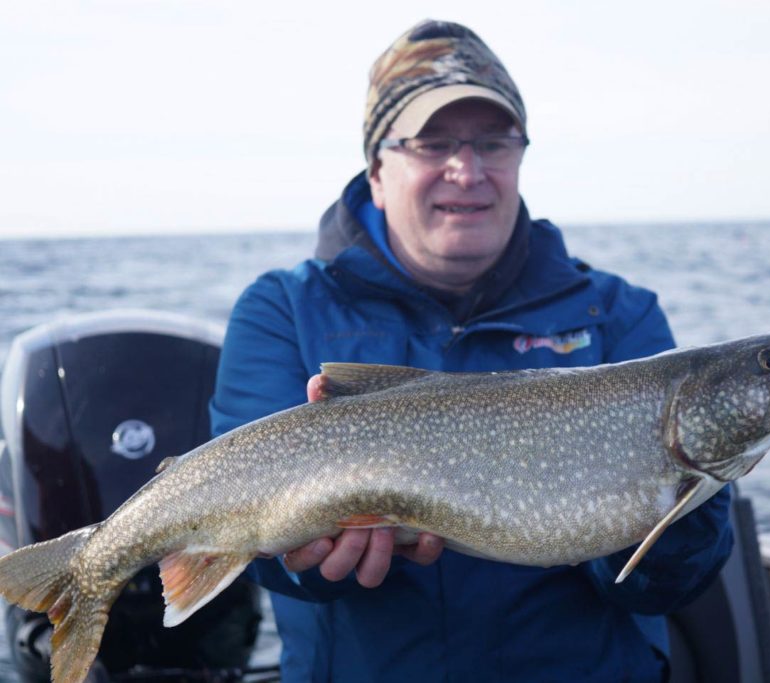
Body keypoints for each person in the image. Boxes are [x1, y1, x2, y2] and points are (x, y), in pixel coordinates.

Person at [210, 19, 733, 683]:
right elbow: (246, 529)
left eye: (493, 142)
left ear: (520, 154)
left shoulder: (620, 316)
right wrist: (297, 554)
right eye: (434, 144)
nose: (468, 170)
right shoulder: (282, 310)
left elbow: (662, 584)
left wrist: (675, 509)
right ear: (377, 169)